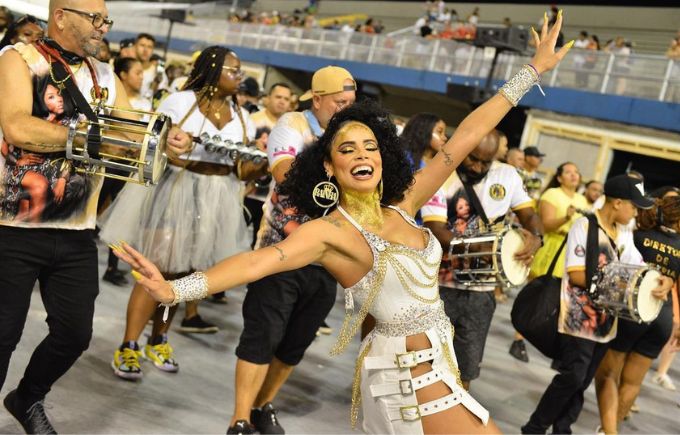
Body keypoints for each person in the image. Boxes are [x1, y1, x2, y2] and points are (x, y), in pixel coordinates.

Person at [114, 17, 571, 434]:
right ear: (328, 167)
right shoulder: (331, 232)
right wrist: (177, 291)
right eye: (346, 149)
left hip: (437, 365)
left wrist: (533, 71)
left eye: (369, 146)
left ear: (383, 155)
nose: (361, 155)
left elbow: (469, 132)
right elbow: (258, 262)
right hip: (403, 378)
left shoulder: (404, 201)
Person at [0, 0, 191, 432]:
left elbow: (126, 131)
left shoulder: (103, 74)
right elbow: (16, 126)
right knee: (1, 336)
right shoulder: (17, 58)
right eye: (95, 18)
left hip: (77, 230)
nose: (103, 27)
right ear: (61, 15)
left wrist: (165, 137)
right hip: (12, 226)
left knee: (74, 335)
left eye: (107, 19)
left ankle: (27, 398)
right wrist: (92, 137)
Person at [100, 45, 263, 380]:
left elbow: (242, 172)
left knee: (180, 277)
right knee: (155, 270)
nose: (239, 76)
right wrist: (178, 147)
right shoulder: (180, 103)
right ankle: (129, 344)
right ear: (214, 70)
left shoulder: (244, 118)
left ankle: (158, 339)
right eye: (233, 70)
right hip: (174, 191)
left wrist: (262, 165)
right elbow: (153, 145)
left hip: (216, 199)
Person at [222, 65, 356, 434]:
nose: (347, 108)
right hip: (280, 251)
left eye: (351, 102)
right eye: (340, 102)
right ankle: (239, 418)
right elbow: (285, 173)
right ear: (318, 99)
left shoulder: (351, 134)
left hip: (327, 259)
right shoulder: (292, 126)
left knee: (297, 340)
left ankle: (264, 405)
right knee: (262, 335)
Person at [521, 175, 674, 434]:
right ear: (617, 203)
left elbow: (639, 266)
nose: (636, 213)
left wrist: (663, 279)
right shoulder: (585, 226)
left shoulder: (624, 233)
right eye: (634, 207)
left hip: (606, 321)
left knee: (583, 381)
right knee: (573, 376)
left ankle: (563, 428)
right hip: (578, 317)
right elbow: (577, 273)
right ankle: (534, 427)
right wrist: (621, 282)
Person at [423, 129, 543, 389]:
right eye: (472, 159)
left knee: (464, 369)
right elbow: (436, 229)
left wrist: (536, 236)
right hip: (437, 286)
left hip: (482, 292)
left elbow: (529, 215)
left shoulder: (507, 175)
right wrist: (485, 250)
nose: (477, 167)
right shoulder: (440, 173)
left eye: (485, 162)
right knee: (424, 362)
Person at [594, 192, 680, 434]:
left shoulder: (637, 237)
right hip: (661, 317)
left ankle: (609, 430)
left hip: (632, 312)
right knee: (633, 381)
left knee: (607, 375)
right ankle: (609, 429)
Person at [510, 163, 589, 361]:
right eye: (569, 172)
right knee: (536, 295)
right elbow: (545, 224)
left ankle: (555, 341)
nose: (574, 175)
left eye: (576, 172)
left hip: (572, 254)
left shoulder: (582, 199)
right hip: (552, 249)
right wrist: (566, 217)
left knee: (562, 300)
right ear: (560, 177)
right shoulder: (552, 195)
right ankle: (519, 338)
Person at [98, 56, 152, 287]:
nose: (142, 77)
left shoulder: (146, 105)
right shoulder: (107, 98)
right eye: (137, 73)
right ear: (122, 75)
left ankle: (112, 266)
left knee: (120, 216)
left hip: (128, 167)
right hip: (104, 164)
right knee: (92, 210)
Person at [134, 33, 167, 100]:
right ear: (135, 46)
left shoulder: (159, 72)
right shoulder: (126, 68)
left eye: (149, 47)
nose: (145, 50)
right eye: (142, 45)